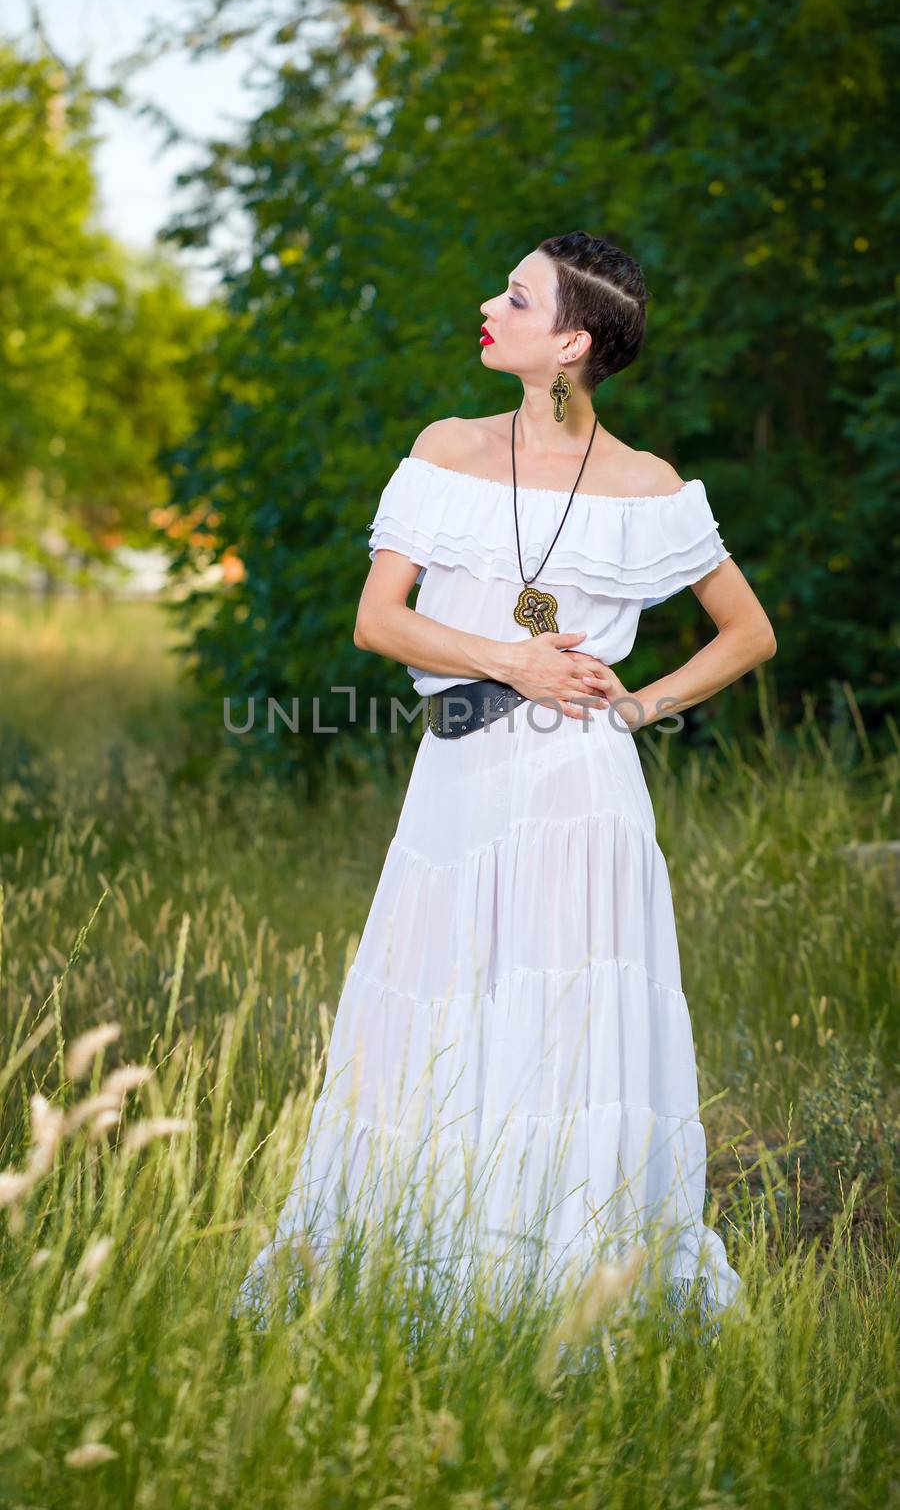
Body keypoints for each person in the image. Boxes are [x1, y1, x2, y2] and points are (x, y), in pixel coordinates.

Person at [237, 230, 775, 1328]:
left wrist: (633, 708)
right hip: (456, 779)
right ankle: (417, 1264)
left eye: (519, 297)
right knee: (432, 1010)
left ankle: (567, 1279)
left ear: (570, 342)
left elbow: (748, 632)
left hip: (581, 794)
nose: (492, 302)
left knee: (564, 1024)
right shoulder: (448, 448)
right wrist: (511, 657)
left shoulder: (648, 484)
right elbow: (377, 621)